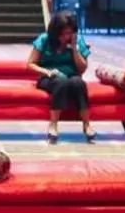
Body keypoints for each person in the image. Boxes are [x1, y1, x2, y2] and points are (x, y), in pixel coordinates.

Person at [28, 11, 94, 144]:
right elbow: (30, 64)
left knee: (79, 83)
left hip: (72, 76)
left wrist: (74, 48)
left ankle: (87, 125)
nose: (66, 37)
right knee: (61, 82)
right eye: (63, 34)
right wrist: (47, 72)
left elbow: (82, 68)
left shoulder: (77, 41)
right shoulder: (44, 39)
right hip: (49, 77)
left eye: (69, 33)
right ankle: (53, 125)